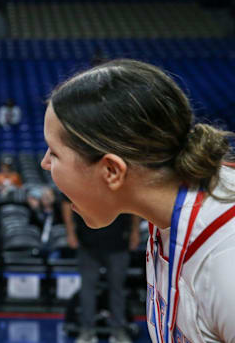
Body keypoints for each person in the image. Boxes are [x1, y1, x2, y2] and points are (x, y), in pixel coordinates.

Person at [41, 59, 235, 343]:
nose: (44, 163)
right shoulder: (168, 213)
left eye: (54, 153)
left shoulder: (225, 260)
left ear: (112, 171)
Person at [61, 193, 140, 343]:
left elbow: (132, 202)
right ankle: (87, 331)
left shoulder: (120, 171)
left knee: (117, 289)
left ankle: (118, 331)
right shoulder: (81, 172)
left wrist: (135, 231)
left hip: (118, 242)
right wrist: (70, 232)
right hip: (88, 242)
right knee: (87, 289)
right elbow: (66, 202)